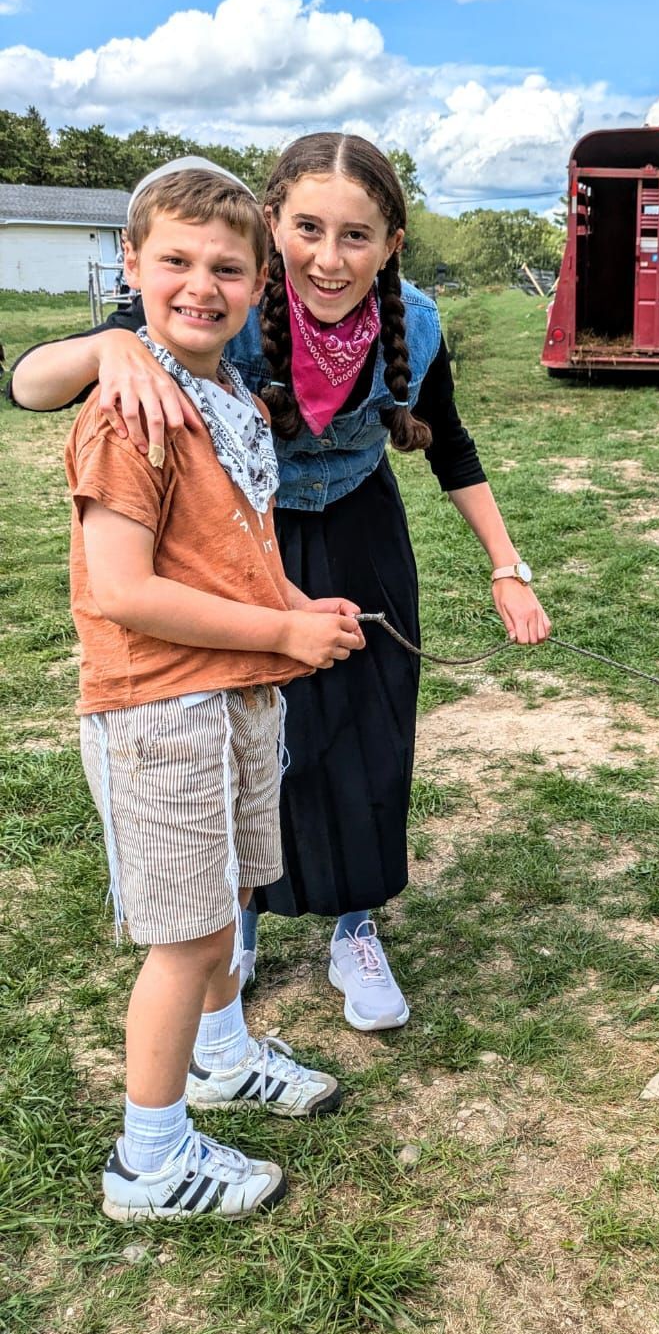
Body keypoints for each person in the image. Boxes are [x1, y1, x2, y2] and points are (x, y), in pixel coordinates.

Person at [11, 135, 551, 1032]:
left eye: (356, 236)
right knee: (255, 736)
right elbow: (27, 384)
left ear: (391, 244)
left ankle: (355, 923)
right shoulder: (215, 297)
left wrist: (506, 566)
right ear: (272, 226)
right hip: (240, 545)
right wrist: (112, 352)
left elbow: (449, 447)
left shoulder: (412, 322)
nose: (327, 259)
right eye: (306, 228)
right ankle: (240, 923)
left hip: (358, 527)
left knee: (367, 731)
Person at [65, 167, 365, 1221]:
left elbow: (241, 554)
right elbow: (126, 590)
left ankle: (223, 1058)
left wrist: (297, 606)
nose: (202, 284)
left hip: (238, 698)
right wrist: (281, 631)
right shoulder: (126, 409)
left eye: (227, 267)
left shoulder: (231, 395)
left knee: (229, 899)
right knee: (185, 937)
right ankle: (148, 1159)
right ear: (133, 267)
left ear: (255, 285)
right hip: (158, 712)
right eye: (177, 262)